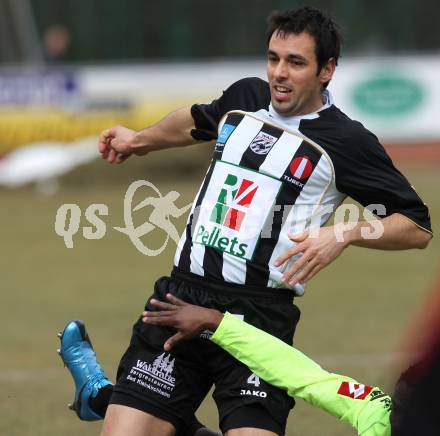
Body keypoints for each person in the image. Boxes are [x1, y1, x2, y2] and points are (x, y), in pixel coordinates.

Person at [62, 6, 432, 436]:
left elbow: (417, 226)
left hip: (259, 319)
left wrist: (344, 232)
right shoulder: (245, 99)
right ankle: (105, 399)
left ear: (326, 70)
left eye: (296, 62)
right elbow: (198, 120)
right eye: (274, 58)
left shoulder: (347, 142)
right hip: (180, 295)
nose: (279, 72)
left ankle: (102, 395)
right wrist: (139, 141)